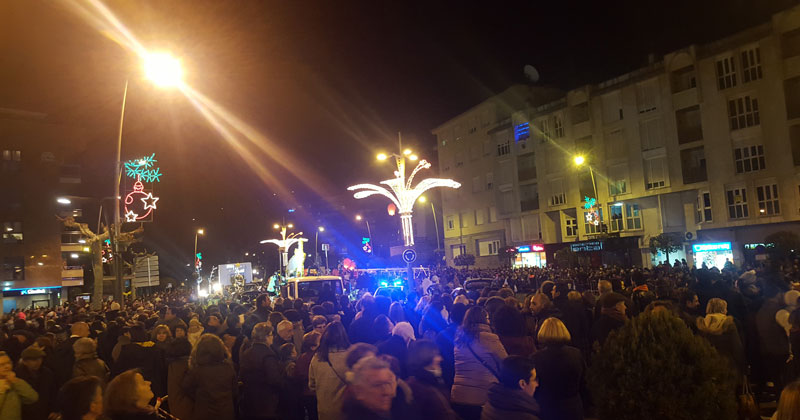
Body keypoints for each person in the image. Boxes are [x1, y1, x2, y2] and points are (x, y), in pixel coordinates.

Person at [451, 306, 508, 420]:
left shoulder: (459, 339)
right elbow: (505, 361)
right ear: (484, 320)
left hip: (458, 394)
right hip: (482, 395)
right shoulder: (490, 338)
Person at [531, 318, 584, 420]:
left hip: (547, 406)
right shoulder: (576, 354)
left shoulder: (536, 358)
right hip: (572, 405)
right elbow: (583, 380)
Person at [182, 333, 237, 420]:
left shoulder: (197, 370)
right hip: (225, 411)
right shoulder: (228, 367)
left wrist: (199, 397)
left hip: (204, 412)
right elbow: (234, 390)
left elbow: (187, 387)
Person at [239, 322, 283, 420]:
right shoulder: (268, 355)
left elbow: (242, 374)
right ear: (266, 337)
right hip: (266, 400)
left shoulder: (247, 353)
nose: (273, 337)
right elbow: (274, 379)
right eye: (271, 335)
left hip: (250, 399)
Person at [406, 339, 458, 420]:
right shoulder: (420, 387)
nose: (441, 359)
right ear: (425, 356)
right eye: (436, 355)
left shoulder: (433, 380)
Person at [309, 321, 351, 420]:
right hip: (346, 410)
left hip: (325, 410)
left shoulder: (317, 358)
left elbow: (312, 385)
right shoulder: (350, 357)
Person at [695, 298, 746, 378]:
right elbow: (737, 348)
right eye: (725, 308)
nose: (726, 311)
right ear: (722, 310)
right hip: (728, 365)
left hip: (707, 365)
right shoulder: (729, 325)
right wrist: (743, 368)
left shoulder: (701, 325)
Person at [481, 356, 541, 420]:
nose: (537, 384)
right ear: (522, 384)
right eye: (534, 379)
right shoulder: (527, 417)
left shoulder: (490, 403)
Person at [16, 345, 56, 420]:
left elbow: (53, 393)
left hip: (44, 412)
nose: (38, 362)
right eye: (34, 360)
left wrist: (54, 409)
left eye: (40, 359)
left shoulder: (47, 373)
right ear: (24, 361)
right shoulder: (17, 375)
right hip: (25, 414)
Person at [0, 351, 38, 420]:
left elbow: (32, 398)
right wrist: (2, 390)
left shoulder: (15, 382)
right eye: (2, 365)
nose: (7, 366)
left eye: (8, 363)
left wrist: (15, 382)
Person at [294, 332, 321, 420]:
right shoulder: (316, 359)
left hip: (306, 394)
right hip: (313, 394)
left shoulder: (301, 358)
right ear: (313, 346)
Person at [165, 338, 193, 420]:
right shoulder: (185, 365)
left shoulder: (173, 364)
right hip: (187, 408)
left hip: (176, 406)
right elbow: (190, 387)